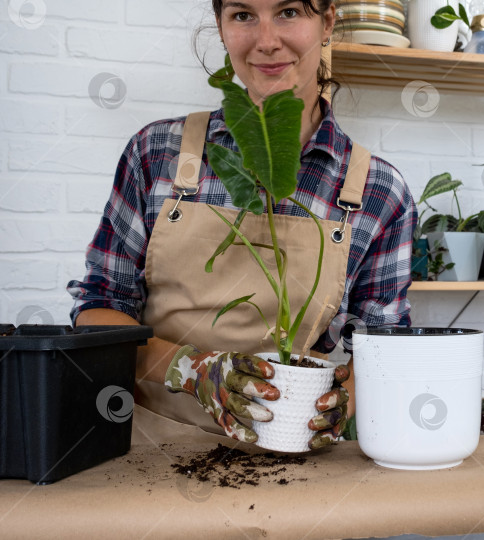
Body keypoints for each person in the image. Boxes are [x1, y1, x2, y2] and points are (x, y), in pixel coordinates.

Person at [67, 0, 416, 449]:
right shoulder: (157, 154)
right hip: (149, 458)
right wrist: (193, 370)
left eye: (289, 12)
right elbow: (96, 313)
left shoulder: (378, 191)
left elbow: (388, 354)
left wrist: (339, 405)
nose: (267, 41)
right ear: (221, 26)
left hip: (295, 464)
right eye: (243, 15)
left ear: (327, 22)